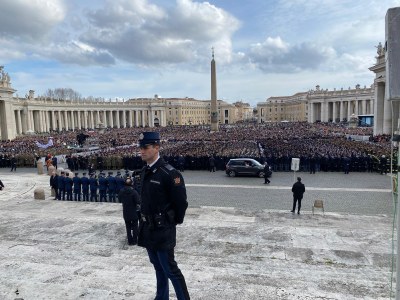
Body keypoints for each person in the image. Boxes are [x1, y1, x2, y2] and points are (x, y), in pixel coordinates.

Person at [138, 131, 190, 300]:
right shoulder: (145, 171)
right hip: (148, 229)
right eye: (140, 147)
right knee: (158, 267)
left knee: (170, 270)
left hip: (163, 229)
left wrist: (172, 222)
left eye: (146, 147)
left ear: (157, 147)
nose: (141, 151)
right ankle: (161, 297)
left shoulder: (170, 174)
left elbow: (181, 203)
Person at [119, 178, 141, 245]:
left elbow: (120, 199)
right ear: (131, 183)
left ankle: (130, 241)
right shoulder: (134, 192)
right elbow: (138, 201)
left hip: (126, 211)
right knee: (135, 226)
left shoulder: (121, 191)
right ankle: (135, 240)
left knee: (128, 227)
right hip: (133, 211)